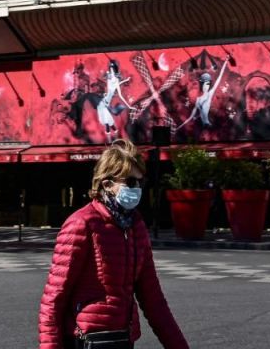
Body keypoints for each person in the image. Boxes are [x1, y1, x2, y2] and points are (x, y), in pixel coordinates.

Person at [39, 139, 188, 349]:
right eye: (129, 182)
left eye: (139, 182)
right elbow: (53, 299)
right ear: (107, 184)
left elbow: (153, 299)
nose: (136, 188)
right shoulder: (82, 224)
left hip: (122, 339)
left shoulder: (135, 226)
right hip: (87, 340)